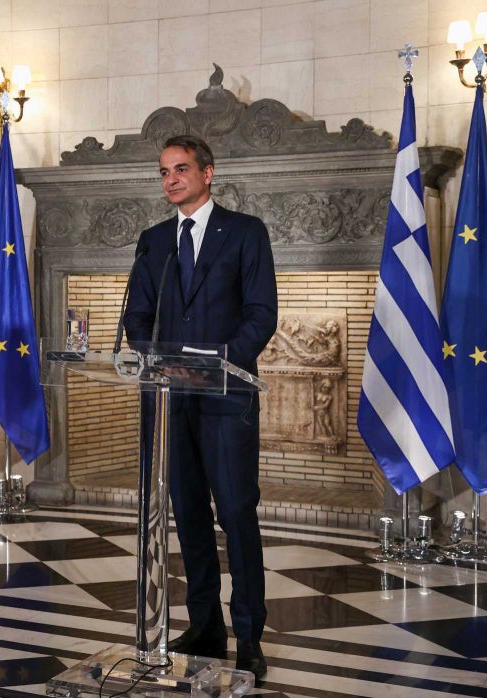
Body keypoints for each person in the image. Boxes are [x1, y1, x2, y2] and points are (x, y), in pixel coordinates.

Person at [124, 135, 278, 678]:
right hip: (169, 402)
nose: (171, 180)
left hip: (225, 398)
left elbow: (261, 314)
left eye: (181, 169)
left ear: (208, 173)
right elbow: (136, 317)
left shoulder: (245, 232)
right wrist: (153, 357)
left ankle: (249, 635)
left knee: (235, 513)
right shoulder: (154, 241)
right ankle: (206, 624)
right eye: (164, 172)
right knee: (187, 514)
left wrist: (218, 362)